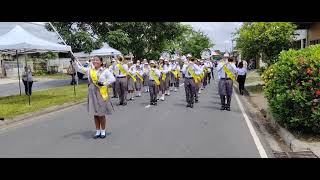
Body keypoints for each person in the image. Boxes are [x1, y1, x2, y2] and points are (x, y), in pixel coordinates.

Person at [73, 56, 116, 139]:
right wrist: (75, 62)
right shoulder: (90, 70)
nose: (94, 61)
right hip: (92, 92)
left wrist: (104, 83)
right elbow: (79, 69)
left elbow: (113, 79)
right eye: (93, 60)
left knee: (101, 112)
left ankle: (103, 131)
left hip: (101, 93)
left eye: (97, 60)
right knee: (95, 113)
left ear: (101, 62)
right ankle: (97, 131)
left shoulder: (105, 71)